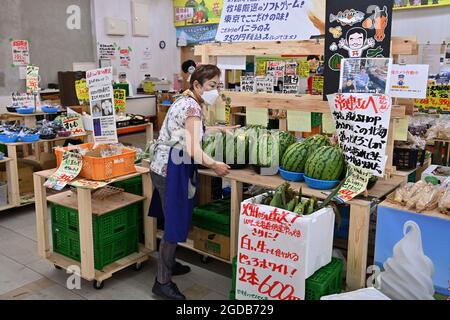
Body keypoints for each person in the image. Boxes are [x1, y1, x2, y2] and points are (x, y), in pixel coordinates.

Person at [149, 65, 232, 300]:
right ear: (197, 85)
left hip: (162, 165)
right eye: (212, 86)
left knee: (171, 218)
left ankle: (170, 262)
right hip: (171, 169)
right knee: (175, 222)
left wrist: (218, 129)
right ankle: (162, 281)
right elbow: (194, 149)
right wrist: (215, 164)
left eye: (218, 86)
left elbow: (190, 131)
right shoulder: (192, 107)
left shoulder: (185, 100)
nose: (216, 91)